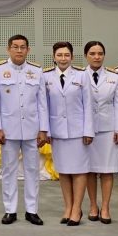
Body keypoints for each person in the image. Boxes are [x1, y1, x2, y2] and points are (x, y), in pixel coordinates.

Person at [0, 34, 48, 226]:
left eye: (23, 47)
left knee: (32, 170)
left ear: (28, 50)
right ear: (8, 49)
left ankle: (32, 210)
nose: (19, 50)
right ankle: (10, 210)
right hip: (8, 130)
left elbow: (42, 103)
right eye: (15, 47)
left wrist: (43, 129)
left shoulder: (36, 70)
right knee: (9, 170)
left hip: (32, 129)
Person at [43, 42, 94, 226]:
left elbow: (88, 104)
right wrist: (47, 131)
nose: (63, 58)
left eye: (66, 55)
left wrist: (88, 130)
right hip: (57, 132)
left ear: (72, 57)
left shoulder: (82, 75)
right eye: (59, 55)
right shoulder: (46, 76)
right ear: (54, 57)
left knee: (79, 170)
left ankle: (77, 209)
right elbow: (44, 106)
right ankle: (68, 207)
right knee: (63, 171)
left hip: (78, 132)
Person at [83, 41, 118, 224]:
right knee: (90, 171)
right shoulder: (79, 75)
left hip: (109, 129)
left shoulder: (114, 77)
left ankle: (106, 207)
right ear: (86, 56)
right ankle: (93, 206)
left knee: (107, 171)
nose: (97, 57)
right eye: (92, 53)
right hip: (87, 130)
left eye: (100, 53)